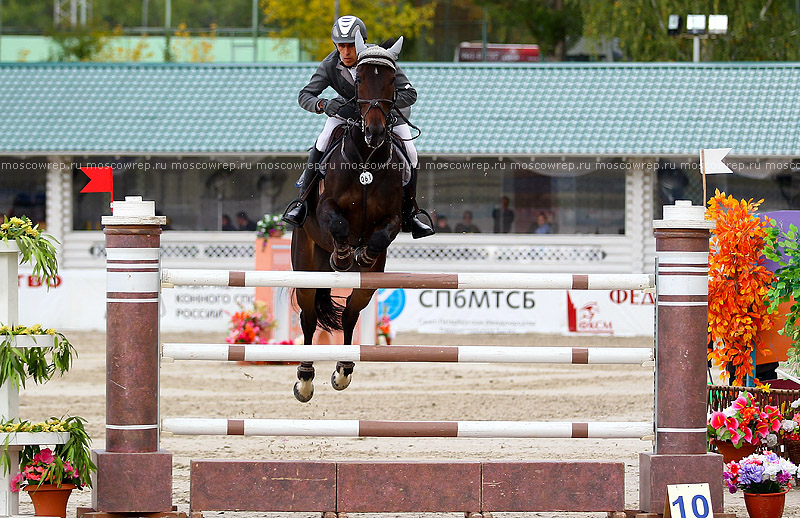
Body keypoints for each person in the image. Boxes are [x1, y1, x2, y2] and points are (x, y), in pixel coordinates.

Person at [281, 15, 433, 239]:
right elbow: (305, 95)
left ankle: (412, 212)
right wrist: (323, 104)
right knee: (322, 142)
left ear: (361, 43)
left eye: (351, 46)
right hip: (346, 115)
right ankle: (302, 202)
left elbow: (410, 93)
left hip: (386, 118)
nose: (346, 52)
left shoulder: (381, 58)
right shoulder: (331, 64)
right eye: (341, 46)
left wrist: (382, 107)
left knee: (411, 153)